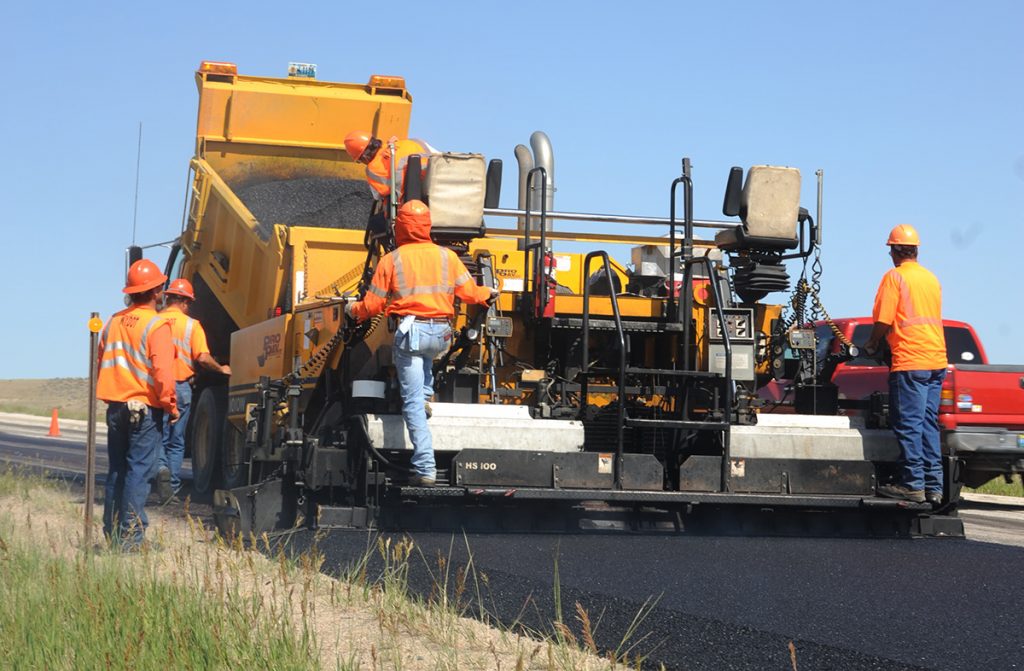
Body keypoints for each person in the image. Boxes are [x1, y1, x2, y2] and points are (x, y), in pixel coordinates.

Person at [344, 200, 497, 486]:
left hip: (412, 333)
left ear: (400, 226)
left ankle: (425, 466)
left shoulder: (392, 259)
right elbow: (470, 293)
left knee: (411, 402)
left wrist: (352, 310)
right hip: (440, 335)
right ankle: (426, 397)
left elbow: (373, 305)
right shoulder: (448, 257)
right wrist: (488, 291)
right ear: (428, 226)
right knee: (425, 371)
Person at [96, 259, 178, 550]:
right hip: (143, 409)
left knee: (117, 470)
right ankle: (131, 539)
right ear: (156, 291)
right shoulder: (157, 325)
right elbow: (163, 372)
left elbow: (101, 360)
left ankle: (113, 532)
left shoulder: (113, 322)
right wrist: (170, 405)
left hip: (116, 407)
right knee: (139, 472)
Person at [864, 224, 947, 505]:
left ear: (895, 250)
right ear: (916, 250)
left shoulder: (895, 277)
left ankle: (912, 485)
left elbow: (884, 319)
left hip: (910, 361)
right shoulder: (931, 278)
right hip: (936, 359)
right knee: (928, 424)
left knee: (909, 424)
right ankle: (934, 486)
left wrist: (873, 342)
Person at [155, 278, 232, 503]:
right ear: (185, 302)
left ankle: (160, 470)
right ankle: (172, 488)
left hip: (156, 386)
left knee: (158, 435)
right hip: (181, 387)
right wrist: (222, 369)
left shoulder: (154, 321)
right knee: (176, 440)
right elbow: (203, 358)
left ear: (168, 298)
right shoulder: (191, 325)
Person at [343, 131, 437, 201]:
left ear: (364, 157)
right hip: (439, 189)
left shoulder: (373, 170)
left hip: (413, 206)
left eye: (360, 161)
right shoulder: (414, 142)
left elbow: (379, 195)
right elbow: (439, 158)